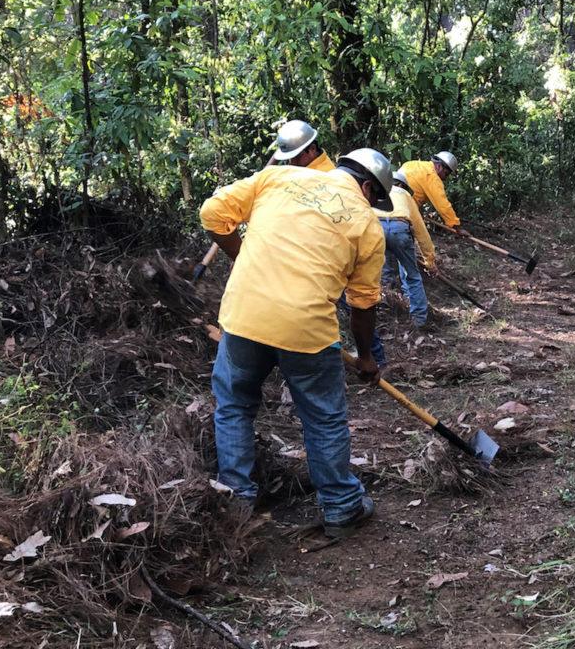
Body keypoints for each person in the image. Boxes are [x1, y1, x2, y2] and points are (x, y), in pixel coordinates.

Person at [199, 148, 394, 540]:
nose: (373, 204)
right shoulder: (368, 226)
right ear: (369, 187)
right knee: (323, 418)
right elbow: (362, 304)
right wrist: (368, 357)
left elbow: (211, 215)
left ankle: (237, 501)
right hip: (306, 330)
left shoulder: (279, 177)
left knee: (234, 406)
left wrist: (241, 256)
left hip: (243, 316)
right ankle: (341, 506)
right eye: (375, 198)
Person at [377, 169, 437, 328]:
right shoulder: (405, 195)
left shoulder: (377, 190)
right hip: (399, 228)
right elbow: (420, 229)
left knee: (384, 272)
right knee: (412, 275)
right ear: (402, 185)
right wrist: (429, 260)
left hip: (376, 228)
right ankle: (419, 320)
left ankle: (386, 307)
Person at [399, 151, 471, 236]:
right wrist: (457, 228)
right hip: (403, 214)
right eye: (446, 174)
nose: (445, 178)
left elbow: (415, 194)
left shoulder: (411, 164)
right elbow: (443, 206)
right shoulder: (433, 178)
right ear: (439, 166)